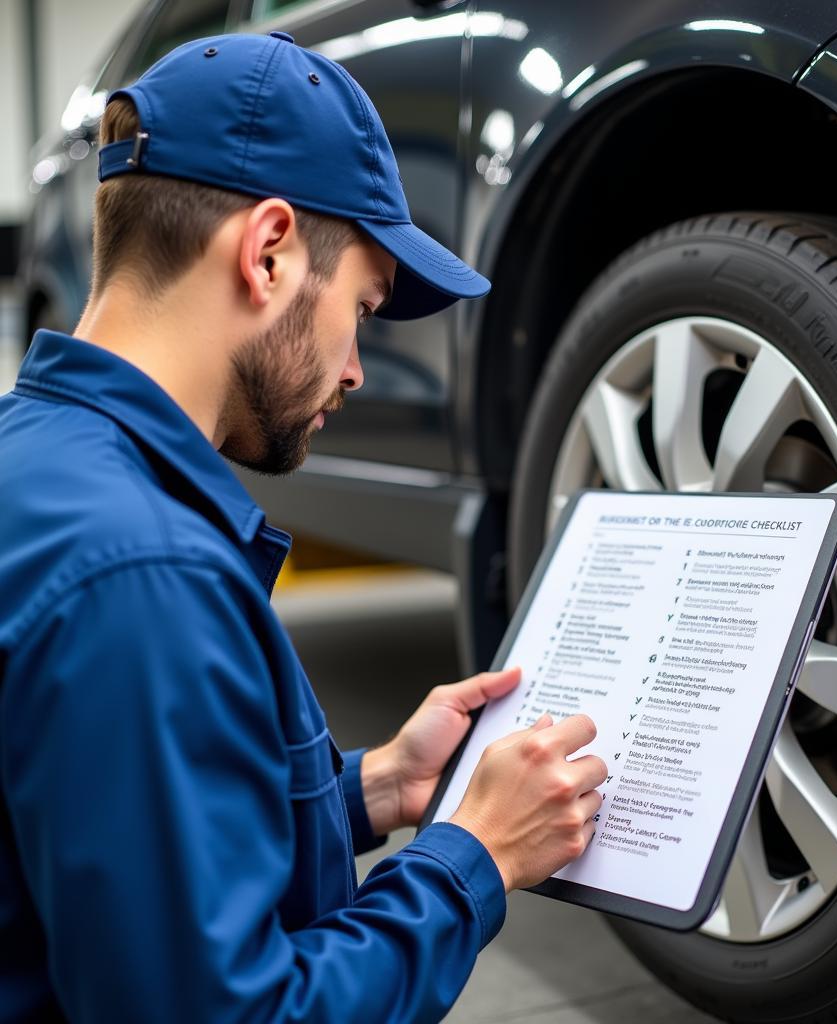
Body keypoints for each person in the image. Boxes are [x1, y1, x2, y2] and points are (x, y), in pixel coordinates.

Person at [0, 32, 606, 1023]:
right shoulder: (144, 576)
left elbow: (125, 837)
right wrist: (474, 859)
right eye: (363, 306)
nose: (359, 366)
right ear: (269, 250)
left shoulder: (36, 463)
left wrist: (373, 788)